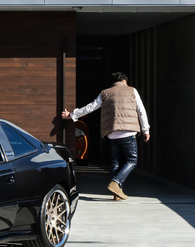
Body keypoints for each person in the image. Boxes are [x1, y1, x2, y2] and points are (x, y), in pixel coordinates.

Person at [61, 72, 150, 200]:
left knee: (115, 162)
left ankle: (117, 193)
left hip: (112, 133)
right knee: (132, 160)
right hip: (128, 132)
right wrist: (146, 129)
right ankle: (116, 183)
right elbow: (141, 111)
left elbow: (90, 107)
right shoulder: (132, 91)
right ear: (124, 81)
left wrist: (71, 115)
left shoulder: (105, 93)